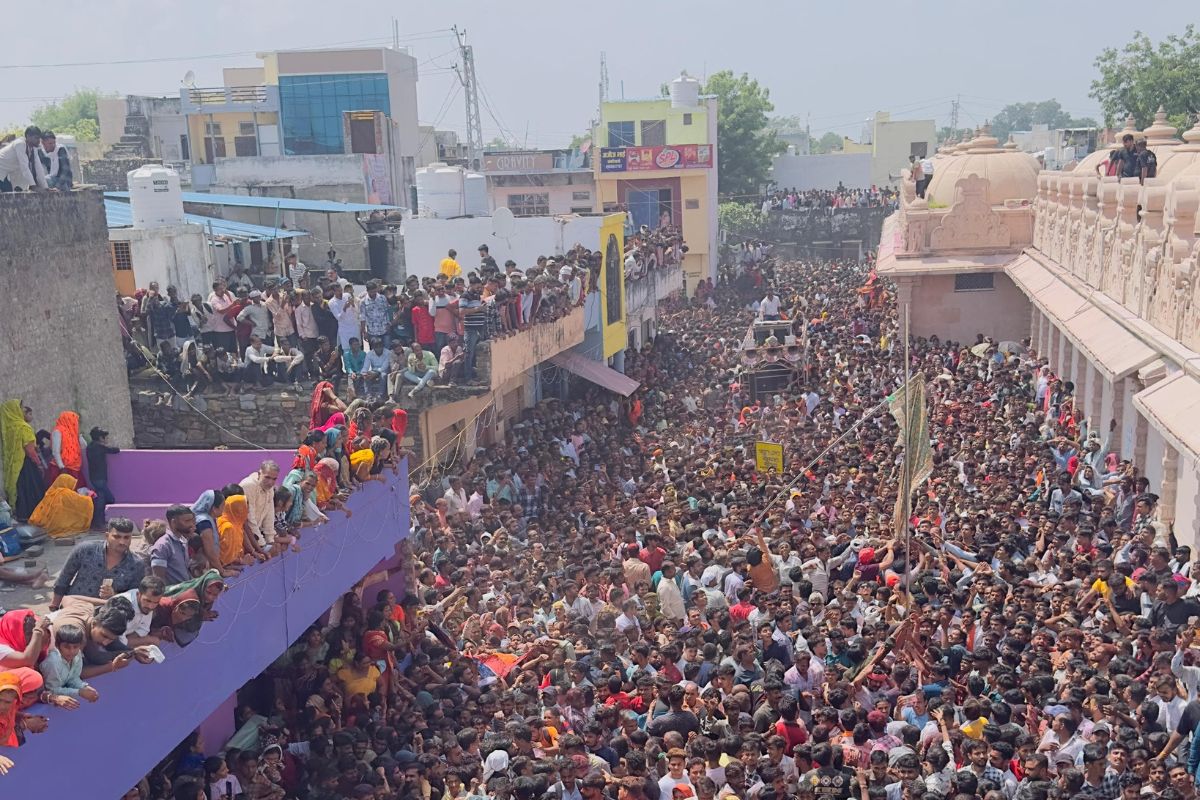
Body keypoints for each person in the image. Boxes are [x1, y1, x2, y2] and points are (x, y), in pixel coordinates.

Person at [49, 517, 144, 610]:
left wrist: (114, 595)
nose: (122, 542)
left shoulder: (136, 564)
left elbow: (134, 597)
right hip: (75, 606)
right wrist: (54, 606)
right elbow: (64, 578)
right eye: (117, 537)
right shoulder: (86, 550)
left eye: (126, 537)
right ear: (107, 536)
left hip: (109, 613)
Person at [0, 399, 46, 520]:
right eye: (20, 408)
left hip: (13, 466)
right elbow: (30, 449)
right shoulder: (23, 427)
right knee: (32, 489)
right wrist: (39, 464)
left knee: (20, 489)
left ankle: (22, 515)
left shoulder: (7, 429)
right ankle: (35, 515)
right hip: (26, 463)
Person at [28, 474, 93, 539]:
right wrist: (89, 497)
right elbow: (81, 501)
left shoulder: (51, 491)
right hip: (57, 525)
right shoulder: (64, 493)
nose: (73, 486)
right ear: (66, 482)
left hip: (45, 522)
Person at [85, 426, 120, 529]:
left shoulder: (90, 447)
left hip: (94, 477)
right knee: (110, 499)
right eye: (105, 437)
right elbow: (115, 450)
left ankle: (98, 522)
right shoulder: (99, 447)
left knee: (101, 498)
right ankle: (98, 522)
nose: (106, 439)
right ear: (101, 438)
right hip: (100, 478)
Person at [47, 410, 88, 487]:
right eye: (75, 421)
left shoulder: (73, 432)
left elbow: (84, 446)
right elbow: (55, 451)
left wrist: (79, 436)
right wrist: (61, 467)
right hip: (61, 468)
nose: (76, 423)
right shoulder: (58, 431)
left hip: (74, 467)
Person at [0, 126, 47, 192]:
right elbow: (24, 167)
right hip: (1, 170)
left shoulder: (33, 149)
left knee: (11, 195)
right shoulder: (20, 144)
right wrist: (33, 186)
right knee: (7, 196)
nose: (39, 141)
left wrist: (45, 188)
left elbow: (38, 168)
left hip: (7, 174)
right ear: (28, 136)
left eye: (39, 138)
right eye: (36, 138)